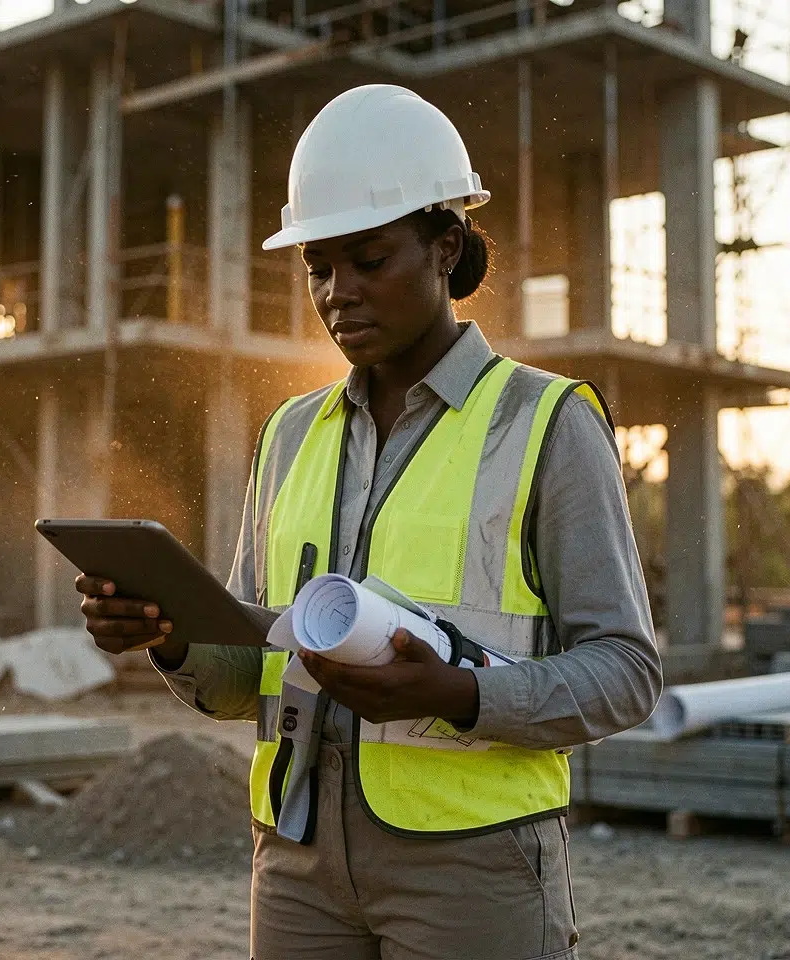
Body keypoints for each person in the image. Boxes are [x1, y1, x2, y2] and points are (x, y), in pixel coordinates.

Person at [77, 85, 662, 959]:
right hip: (299, 864)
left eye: (368, 259)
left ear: (445, 247)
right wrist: (168, 638)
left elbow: (626, 672)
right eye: (317, 266)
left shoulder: (545, 422)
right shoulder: (288, 434)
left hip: (473, 869)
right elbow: (248, 678)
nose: (336, 292)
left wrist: (460, 695)